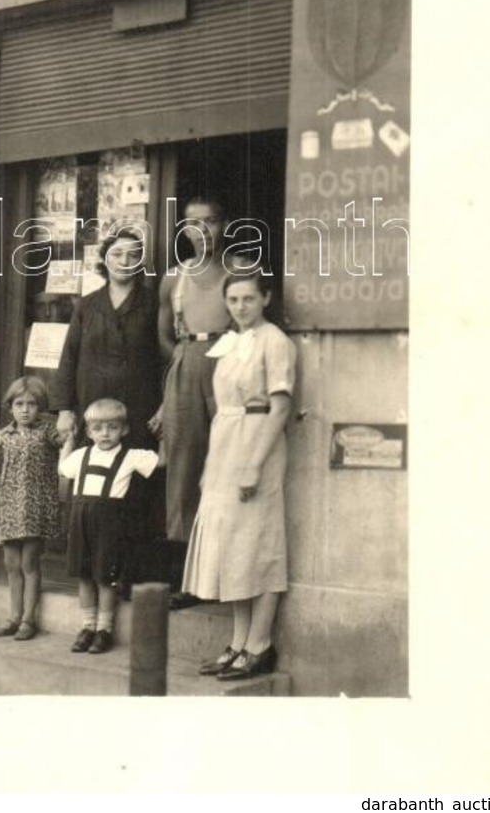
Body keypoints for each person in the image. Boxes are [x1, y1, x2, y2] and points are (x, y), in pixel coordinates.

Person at [182, 273, 296, 681]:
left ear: (265, 298)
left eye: (249, 298)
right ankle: (238, 641)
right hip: (226, 443)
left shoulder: (275, 341)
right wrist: (214, 465)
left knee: (259, 544)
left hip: (257, 442)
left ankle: (260, 644)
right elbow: (222, 406)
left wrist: (252, 464)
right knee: (232, 546)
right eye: (233, 299)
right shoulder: (229, 342)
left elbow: (281, 408)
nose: (240, 306)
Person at [51, 228, 164, 585]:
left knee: (135, 490)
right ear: (104, 259)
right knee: (94, 492)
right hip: (94, 410)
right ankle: (93, 575)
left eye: (133, 256)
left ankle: (129, 576)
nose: (125, 262)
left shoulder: (152, 304)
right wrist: (65, 408)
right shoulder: (87, 304)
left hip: (138, 407)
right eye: (117, 255)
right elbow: (69, 356)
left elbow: (165, 358)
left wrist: (164, 406)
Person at [157, 195, 244, 606]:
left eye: (210, 222)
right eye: (193, 223)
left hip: (228, 365)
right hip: (188, 364)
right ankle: (185, 578)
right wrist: (180, 357)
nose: (202, 231)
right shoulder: (174, 278)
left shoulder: (242, 270)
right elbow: (162, 334)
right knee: (183, 467)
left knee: (227, 465)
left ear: (223, 225)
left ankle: (225, 573)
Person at [59, 399, 159, 654]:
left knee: (105, 577)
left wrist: (164, 433)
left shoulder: (131, 456)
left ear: (124, 430)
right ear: (89, 431)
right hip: (80, 520)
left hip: (109, 523)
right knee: (84, 575)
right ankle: (87, 627)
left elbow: (161, 462)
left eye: (112, 427)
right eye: (98, 428)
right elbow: (63, 468)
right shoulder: (81, 455)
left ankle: (104, 629)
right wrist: (68, 441)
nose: (105, 433)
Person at [0, 376, 61, 641]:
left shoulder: (47, 432)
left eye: (32, 404)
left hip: (36, 505)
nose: (25, 409)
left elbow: (65, 442)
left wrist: (68, 423)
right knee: (11, 563)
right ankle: (13, 616)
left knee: (29, 562)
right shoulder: (4, 436)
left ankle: (29, 619)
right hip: (9, 504)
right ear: (11, 406)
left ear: (40, 407)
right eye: (20, 403)